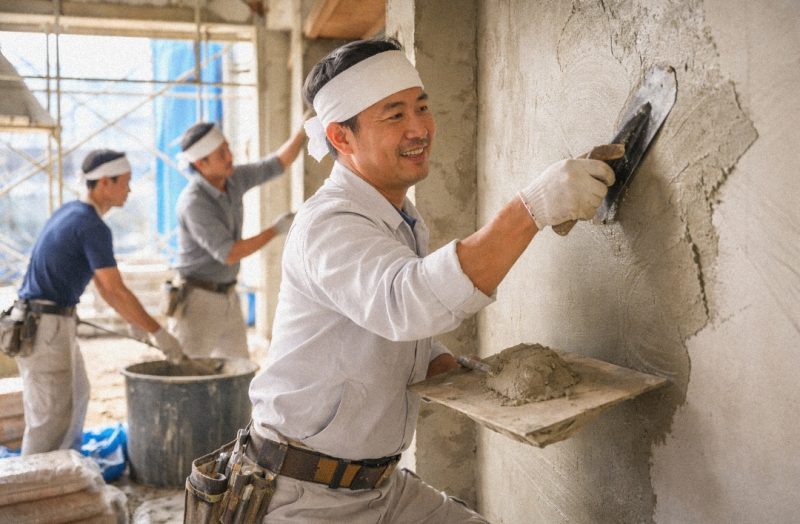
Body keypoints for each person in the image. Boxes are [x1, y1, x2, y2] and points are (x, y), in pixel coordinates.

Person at [243, 37, 615, 522]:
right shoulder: (329, 225)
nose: (419, 128)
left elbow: (381, 328)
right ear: (341, 137)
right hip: (304, 497)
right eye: (394, 115)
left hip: (379, 487)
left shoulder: (396, 216)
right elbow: (407, 304)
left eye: (422, 106)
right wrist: (531, 209)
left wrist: (455, 370)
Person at [12, 149, 183, 456]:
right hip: (45, 325)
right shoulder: (92, 226)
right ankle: (32, 484)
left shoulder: (72, 212)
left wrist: (139, 325)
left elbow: (105, 290)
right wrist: (158, 332)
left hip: (47, 321)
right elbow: (115, 289)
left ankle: (67, 472)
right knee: (49, 419)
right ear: (105, 183)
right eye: (126, 182)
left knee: (77, 396)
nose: (130, 190)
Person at [168, 121, 306, 360]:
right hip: (197, 299)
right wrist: (275, 230)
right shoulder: (194, 202)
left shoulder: (232, 178)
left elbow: (277, 164)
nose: (230, 156)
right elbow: (230, 253)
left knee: (238, 370)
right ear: (202, 164)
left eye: (228, 149)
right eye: (221, 154)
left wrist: (303, 130)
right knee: (187, 375)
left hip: (228, 294)